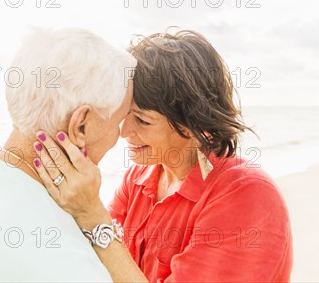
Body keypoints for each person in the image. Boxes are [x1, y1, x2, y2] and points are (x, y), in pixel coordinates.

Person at [32, 29, 293, 282]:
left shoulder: (246, 196)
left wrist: (91, 214)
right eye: (125, 115)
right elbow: (98, 265)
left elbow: (104, 245)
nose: (125, 132)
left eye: (143, 121)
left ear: (193, 124)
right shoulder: (138, 179)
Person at [0, 27, 137, 282]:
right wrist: (96, 220)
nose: (122, 134)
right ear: (81, 125)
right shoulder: (57, 255)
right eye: (119, 121)